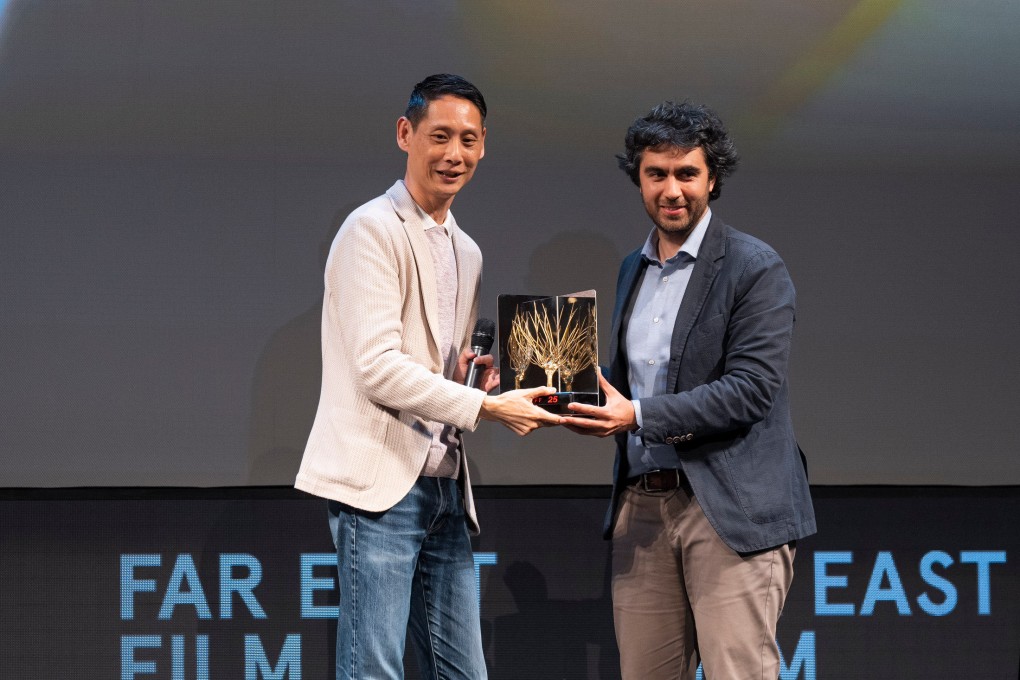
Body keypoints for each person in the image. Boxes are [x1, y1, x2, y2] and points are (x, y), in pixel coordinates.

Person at [295, 74, 562, 680]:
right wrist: (486, 411)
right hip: (380, 486)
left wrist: (479, 381)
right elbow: (377, 369)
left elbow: (439, 366)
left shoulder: (466, 250)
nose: (454, 154)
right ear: (404, 133)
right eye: (439, 136)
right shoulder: (370, 229)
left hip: (445, 485)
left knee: (464, 671)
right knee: (375, 671)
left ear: (484, 145)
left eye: (468, 139)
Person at [564, 101, 816, 679]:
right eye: (657, 174)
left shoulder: (755, 267)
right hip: (643, 507)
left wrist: (638, 417)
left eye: (686, 174)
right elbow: (629, 385)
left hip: (730, 508)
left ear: (712, 178)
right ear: (640, 179)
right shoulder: (633, 266)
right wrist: (549, 389)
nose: (671, 189)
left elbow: (751, 391)